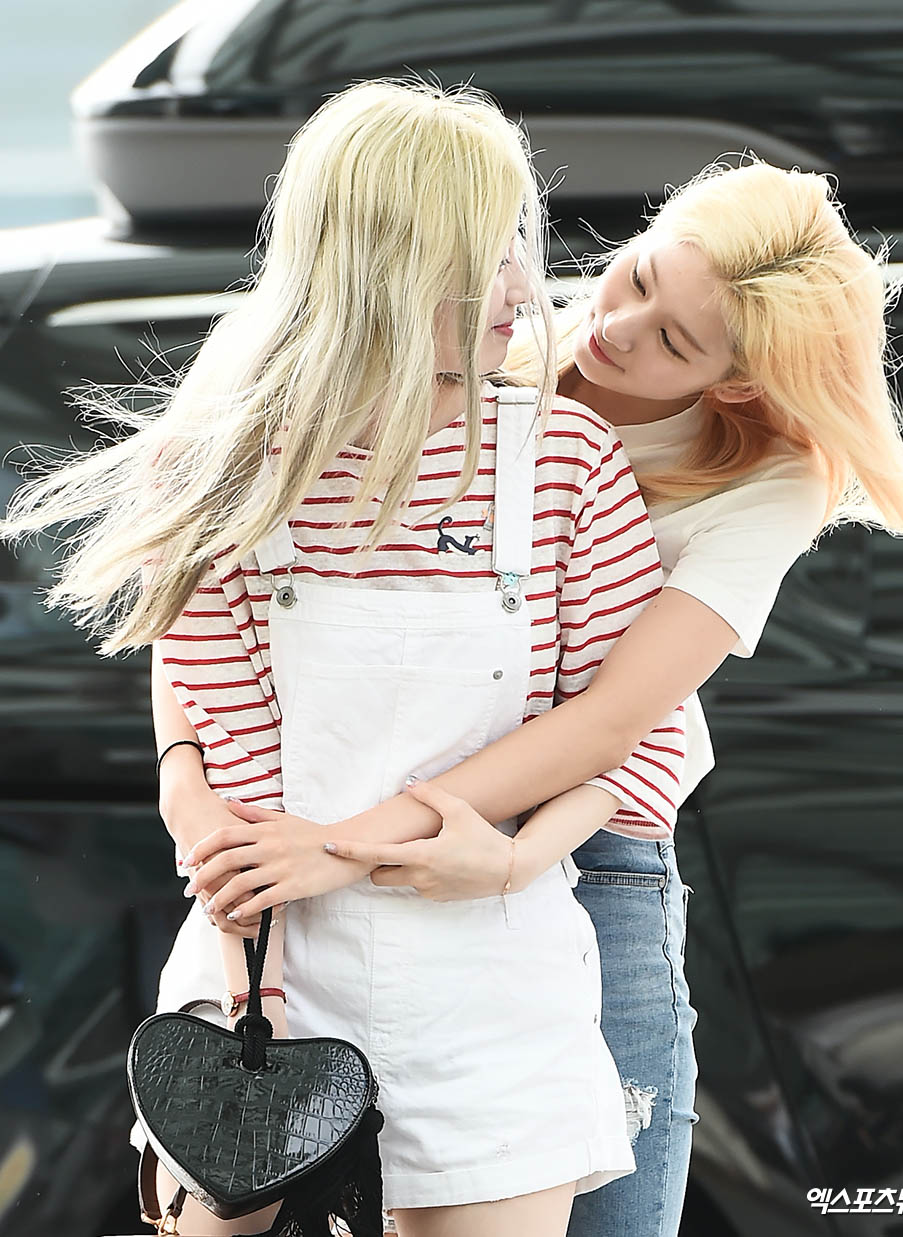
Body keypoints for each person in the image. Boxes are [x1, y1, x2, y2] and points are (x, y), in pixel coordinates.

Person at [168, 160, 903, 1237]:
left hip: (592, 839)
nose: (614, 328)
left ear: (733, 383)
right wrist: (186, 783)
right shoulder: (486, 334)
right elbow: (202, 596)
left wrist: (505, 858)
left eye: (673, 339)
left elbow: (618, 721)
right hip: (333, 821)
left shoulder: (763, 482)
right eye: (636, 276)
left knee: (616, 1209)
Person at [2, 80, 700, 1237]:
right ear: (387, 262)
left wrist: (508, 860)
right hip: (265, 964)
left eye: (520, 249)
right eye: (485, 255)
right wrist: (255, 965)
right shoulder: (225, 466)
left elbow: (644, 740)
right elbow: (229, 757)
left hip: (488, 986)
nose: (525, 291)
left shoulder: (563, 458)